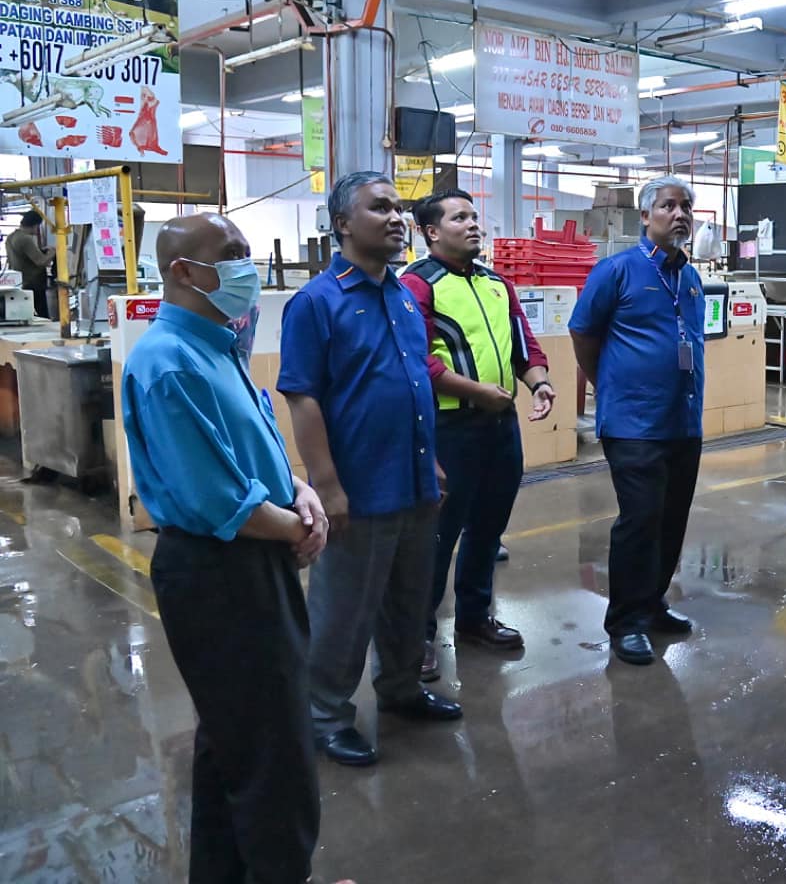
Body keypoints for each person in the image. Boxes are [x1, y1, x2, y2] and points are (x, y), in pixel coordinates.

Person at [123, 213, 328, 883]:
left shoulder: (219, 346)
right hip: (218, 572)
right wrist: (302, 529)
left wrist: (300, 490)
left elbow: (252, 453)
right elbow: (219, 502)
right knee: (275, 758)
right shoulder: (168, 362)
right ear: (184, 271)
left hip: (253, 558)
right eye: (232, 253)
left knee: (231, 744)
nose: (247, 266)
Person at [279, 172, 460, 769]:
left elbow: (413, 385)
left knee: (410, 601)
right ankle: (326, 715)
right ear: (342, 224)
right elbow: (303, 397)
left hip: (414, 482)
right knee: (344, 611)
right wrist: (327, 485)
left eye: (398, 208)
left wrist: (431, 461)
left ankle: (402, 689)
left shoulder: (403, 295)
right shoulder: (316, 302)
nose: (396, 218)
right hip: (358, 489)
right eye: (379, 208)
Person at [400, 189, 556, 680]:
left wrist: (539, 382)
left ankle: (474, 619)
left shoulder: (496, 283)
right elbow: (417, 361)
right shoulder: (416, 285)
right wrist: (475, 392)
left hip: (500, 426)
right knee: (437, 537)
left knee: (488, 529)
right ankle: (417, 636)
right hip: (450, 429)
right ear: (431, 232)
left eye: (473, 216)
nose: (473, 224)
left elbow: (523, 344)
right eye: (459, 218)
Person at [569, 175, 706, 666]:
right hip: (633, 423)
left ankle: (652, 603)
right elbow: (583, 332)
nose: (680, 214)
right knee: (641, 519)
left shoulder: (690, 278)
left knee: (672, 519)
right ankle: (626, 622)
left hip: (683, 421)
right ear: (646, 216)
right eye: (668, 206)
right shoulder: (617, 271)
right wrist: (609, 385)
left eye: (686, 206)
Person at [6, 210, 53, 318]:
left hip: (20, 283)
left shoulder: (11, 237)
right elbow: (41, 262)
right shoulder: (25, 239)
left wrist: (40, 251)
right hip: (33, 284)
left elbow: (21, 256)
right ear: (35, 225)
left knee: (24, 315)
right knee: (43, 316)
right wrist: (52, 252)